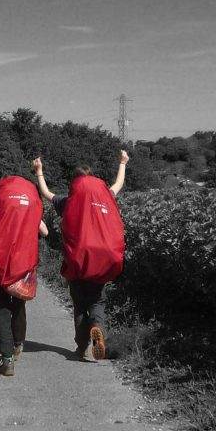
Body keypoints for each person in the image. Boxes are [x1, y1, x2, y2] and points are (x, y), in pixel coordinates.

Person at [32, 149, 128, 361]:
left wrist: (39, 171)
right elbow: (117, 185)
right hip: (101, 261)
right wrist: (122, 162)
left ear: (74, 182)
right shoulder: (105, 196)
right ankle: (98, 332)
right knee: (97, 302)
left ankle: (81, 347)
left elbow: (47, 194)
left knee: (79, 305)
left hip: (76, 263)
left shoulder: (68, 201)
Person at [0, 174, 48, 377]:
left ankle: (7, 359)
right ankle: (18, 345)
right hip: (22, 262)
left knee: (0, 308)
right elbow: (45, 232)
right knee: (18, 303)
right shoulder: (30, 207)